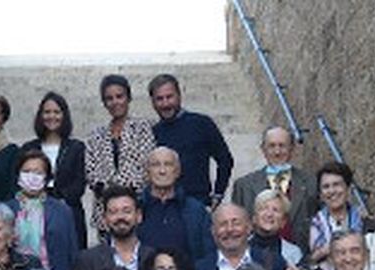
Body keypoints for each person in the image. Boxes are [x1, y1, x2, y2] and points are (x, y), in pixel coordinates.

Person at [84, 74, 156, 234]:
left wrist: (124, 193)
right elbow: (91, 172)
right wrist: (108, 193)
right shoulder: (96, 135)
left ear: (128, 98)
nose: (115, 102)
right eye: (109, 98)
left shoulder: (144, 128)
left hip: (137, 209)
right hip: (106, 213)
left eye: (119, 96)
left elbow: (147, 166)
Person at [196, 202, 299, 270]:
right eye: (223, 224)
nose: (230, 229)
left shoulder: (274, 262)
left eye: (236, 223)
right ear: (213, 231)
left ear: (249, 227)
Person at [148, 73, 233, 207]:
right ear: (152, 102)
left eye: (169, 97)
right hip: (164, 205)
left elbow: (225, 160)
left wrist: (218, 193)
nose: (165, 103)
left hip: (198, 203)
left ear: (179, 96)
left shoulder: (202, 124)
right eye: (159, 99)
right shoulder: (152, 133)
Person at [230, 127, 319, 251]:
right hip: (256, 262)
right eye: (271, 146)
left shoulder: (312, 183)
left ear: (292, 149)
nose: (277, 152)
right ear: (263, 149)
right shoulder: (244, 186)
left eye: (282, 146)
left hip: (301, 261)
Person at [20, 91, 89, 249]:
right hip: (33, 213)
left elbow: (79, 183)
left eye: (57, 112)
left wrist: (56, 201)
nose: (52, 116)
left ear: (64, 115)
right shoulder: (28, 148)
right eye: (47, 112)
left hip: (68, 213)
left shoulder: (76, 148)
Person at [7, 149, 78, 270]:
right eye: (27, 171)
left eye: (38, 172)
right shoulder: (6, 210)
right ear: (18, 175)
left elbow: (72, 254)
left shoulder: (62, 211)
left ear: (47, 178)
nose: (32, 176)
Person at [137, 146, 213, 263]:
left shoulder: (196, 211)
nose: (162, 171)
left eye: (168, 164)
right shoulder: (136, 208)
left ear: (177, 171)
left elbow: (207, 254)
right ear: (147, 172)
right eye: (156, 165)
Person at [308, 161, 375, 260]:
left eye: (336, 184)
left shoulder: (366, 223)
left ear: (348, 188)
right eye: (326, 187)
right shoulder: (314, 225)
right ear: (321, 194)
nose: (331, 191)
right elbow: (309, 261)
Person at [249, 189, 305, 270]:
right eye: (263, 208)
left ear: (283, 222)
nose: (269, 214)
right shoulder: (239, 249)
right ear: (254, 218)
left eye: (275, 210)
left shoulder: (294, 253)